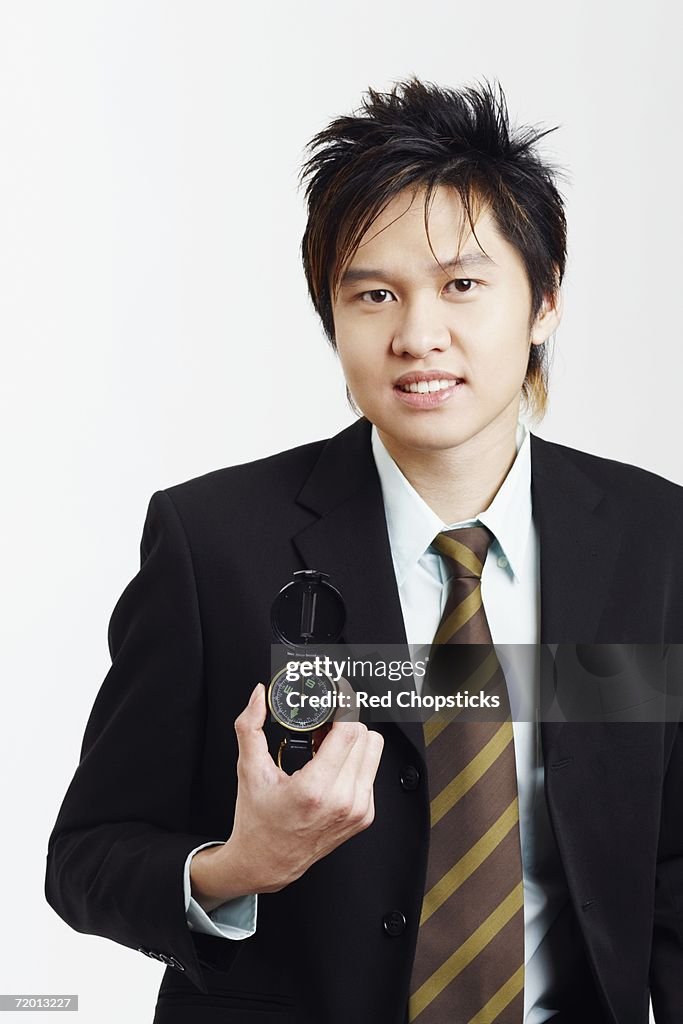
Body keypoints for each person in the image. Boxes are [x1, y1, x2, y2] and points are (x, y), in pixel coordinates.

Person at [45, 76, 683, 1024]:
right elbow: (89, 856)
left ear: (543, 300)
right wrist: (239, 867)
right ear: (332, 317)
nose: (419, 336)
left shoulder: (655, 540)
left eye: (463, 285)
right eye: (374, 294)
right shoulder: (213, 543)